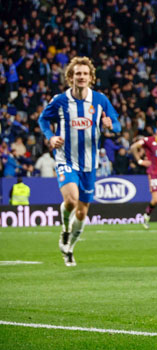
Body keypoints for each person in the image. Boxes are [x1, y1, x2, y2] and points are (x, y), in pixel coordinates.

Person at [39, 56, 121, 267]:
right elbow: (43, 119)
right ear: (71, 77)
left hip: (89, 164)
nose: (81, 77)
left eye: (85, 73)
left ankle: (70, 248)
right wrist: (51, 136)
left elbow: (118, 124)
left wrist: (111, 125)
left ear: (91, 77)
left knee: (82, 212)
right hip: (66, 159)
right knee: (71, 201)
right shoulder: (60, 100)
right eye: (78, 73)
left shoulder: (100, 100)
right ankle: (65, 229)